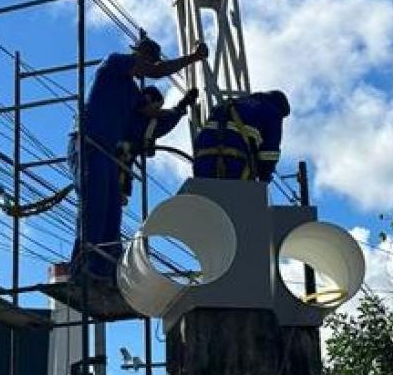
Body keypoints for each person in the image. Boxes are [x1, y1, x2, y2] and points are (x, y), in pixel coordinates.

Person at [70, 35, 208, 283]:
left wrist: (181, 106)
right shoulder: (113, 64)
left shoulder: (132, 95)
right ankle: (82, 270)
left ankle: (105, 272)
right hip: (89, 144)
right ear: (139, 55)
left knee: (111, 214)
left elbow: (152, 120)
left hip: (107, 155)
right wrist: (194, 58)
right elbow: (155, 73)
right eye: (146, 60)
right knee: (95, 207)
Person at [116, 85, 198, 205]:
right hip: (109, 152)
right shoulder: (125, 111)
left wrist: (183, 104)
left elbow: (171, 117)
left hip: (123, 161)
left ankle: (117, 194)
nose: (155, 110)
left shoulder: (152, 124)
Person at [192, 90, 290, 182]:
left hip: (202, 160)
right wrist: (264, 178)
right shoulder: (273, 111)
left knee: (204, 197)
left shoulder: (231, 103)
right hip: (234, 163)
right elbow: (270, 152)